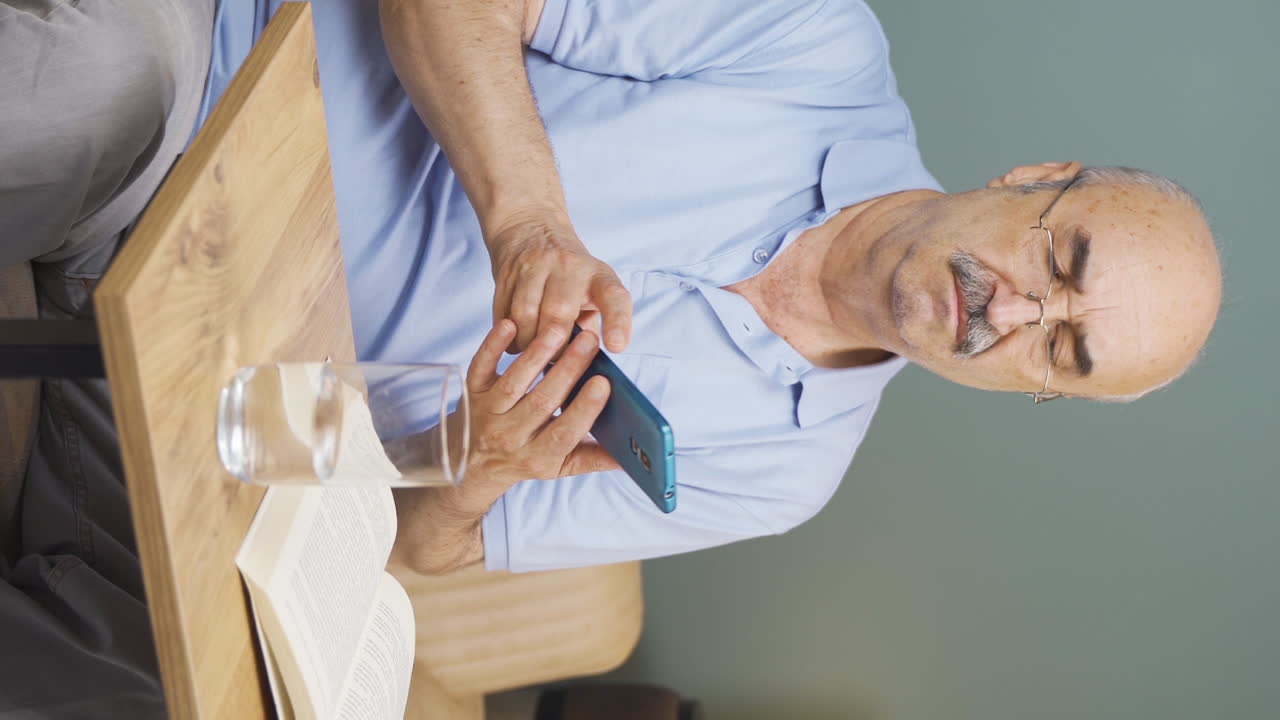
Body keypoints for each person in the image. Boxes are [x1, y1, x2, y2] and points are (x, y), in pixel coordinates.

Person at [0, 0, 1220, 715]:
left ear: (1035, 390)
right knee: (94, 81)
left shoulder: (789, 474)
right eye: (1060, 259)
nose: (1016, 311)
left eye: (1062, 347)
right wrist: (528, 221)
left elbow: (426, 549)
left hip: (243, 419)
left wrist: (478, 465)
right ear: (1030, 178)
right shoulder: (813, 44)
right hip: (198, 132)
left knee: (151, 692)